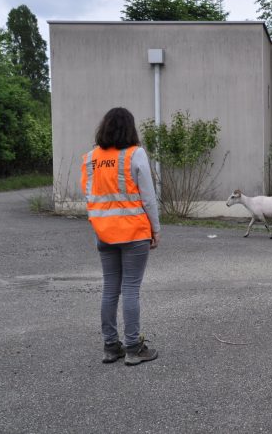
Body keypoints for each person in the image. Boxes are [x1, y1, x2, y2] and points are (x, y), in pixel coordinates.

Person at [80, 107, 161, 366]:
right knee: (130, 289)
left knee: (110, 289)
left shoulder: (90, 158)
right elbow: (148, 198)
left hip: (104, 233)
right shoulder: (135, 154)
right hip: (134, 231)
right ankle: (134, 347)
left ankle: (110, 346)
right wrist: (155, 229)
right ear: (130, 128)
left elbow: (89, 196)